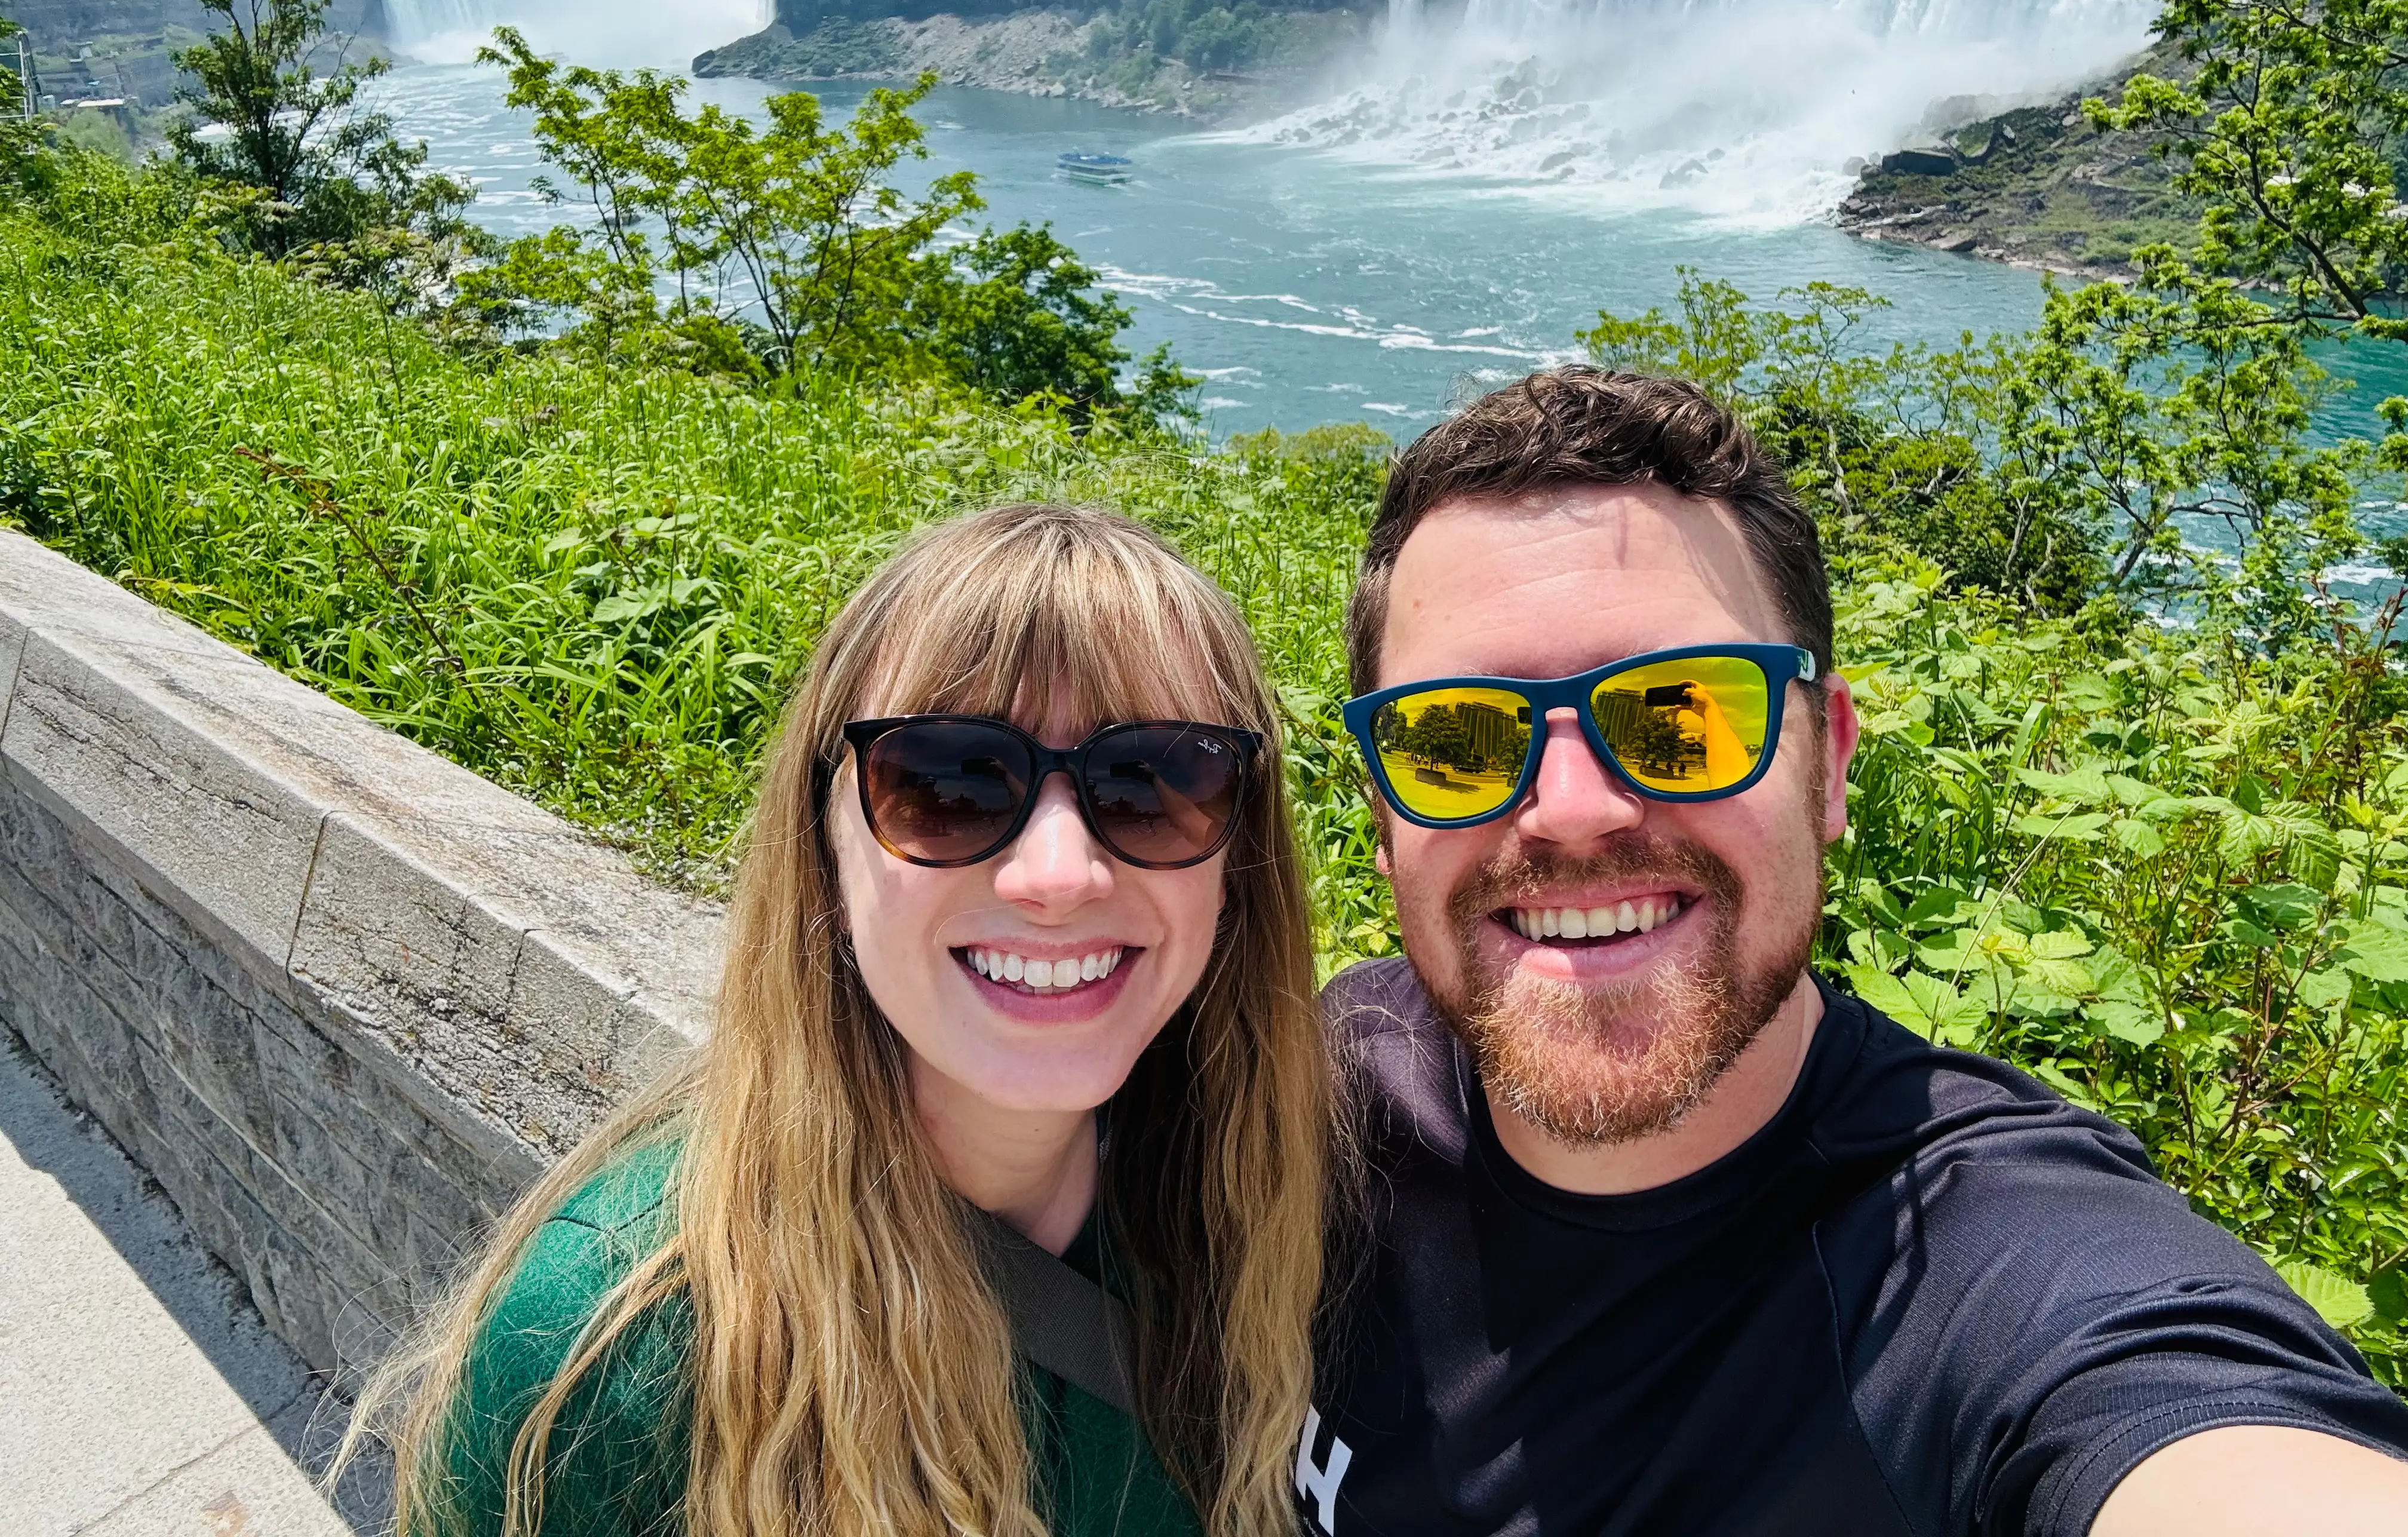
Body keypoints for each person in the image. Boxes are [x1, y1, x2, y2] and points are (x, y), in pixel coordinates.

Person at [1303, 367, 2408, 1537]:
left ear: (1826, 765)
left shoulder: (1980, 1269)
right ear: (1382, 817)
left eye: (1685, 714)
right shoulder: (1327, 1092)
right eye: (1456, 740)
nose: (1573, 809)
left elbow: (2214, 1448)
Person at [343, 503, 1330, 1537]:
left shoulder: (1261, 1213)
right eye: (947, 783)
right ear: (823, 844)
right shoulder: (607, 1354)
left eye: (1155, 781)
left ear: (1239, 860)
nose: (1059, 875)